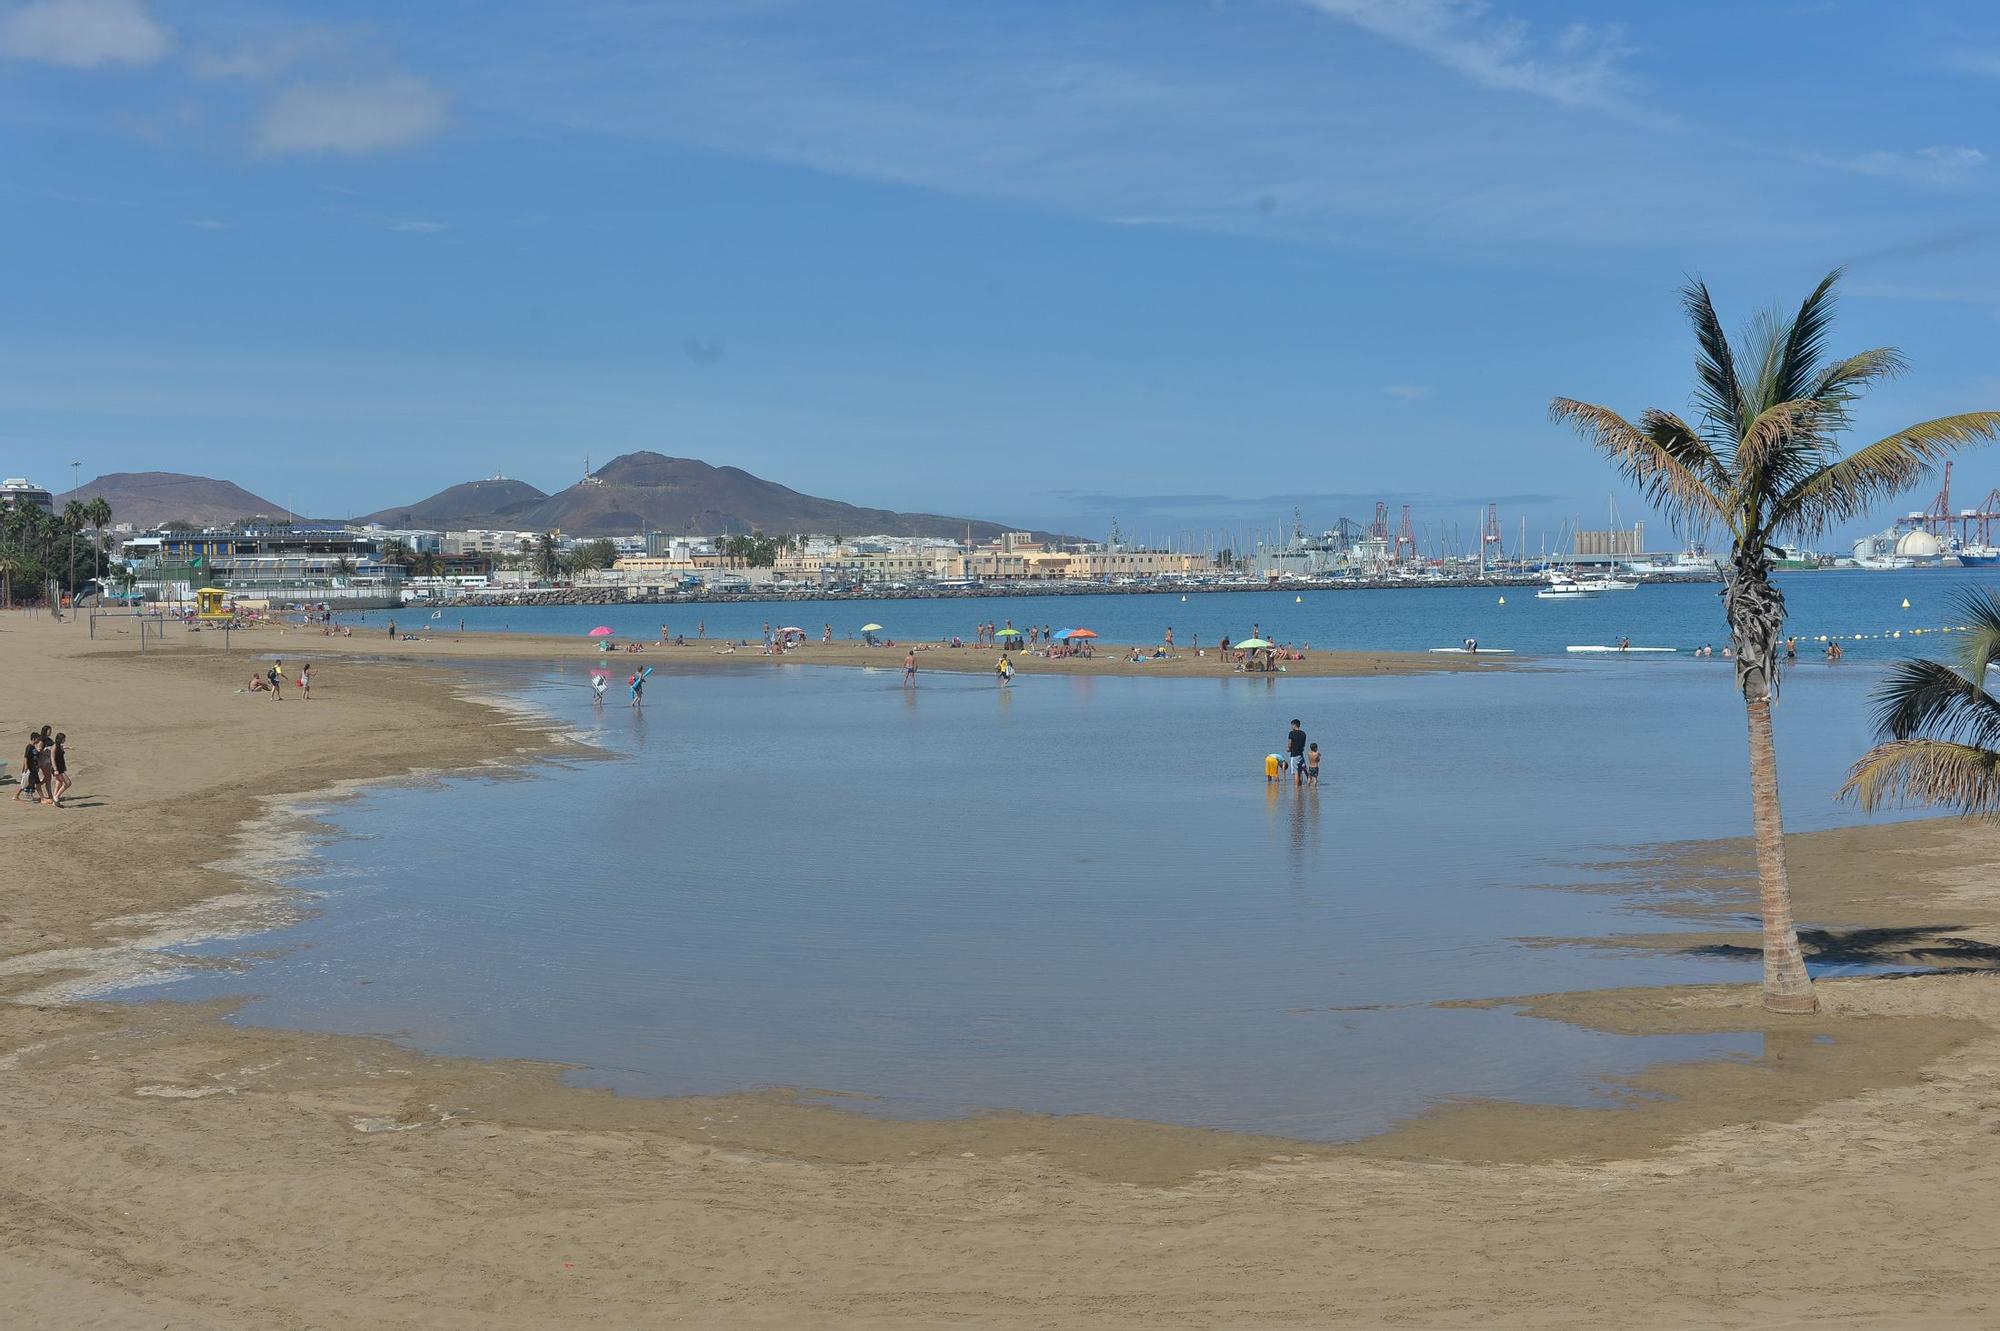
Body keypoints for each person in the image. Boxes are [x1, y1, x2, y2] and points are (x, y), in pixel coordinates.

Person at [14, 734, 40, 803]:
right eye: (38, 739)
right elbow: (25, 757)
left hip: (33, 768)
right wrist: (26, 767)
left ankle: (29, 795)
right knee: (26, 783)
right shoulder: (29, 747)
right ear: (34, 739)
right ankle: (16, 795)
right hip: (30, 768)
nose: (39, 740)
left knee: (31, 782)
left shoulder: (34, 747)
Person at [1286, 718, 1307, 786]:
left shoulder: (1291, 733)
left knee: (1296, 773)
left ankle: (1297, 788)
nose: (1291, 727)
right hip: (1301, 754)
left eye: (1291, 725)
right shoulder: (1303, 733)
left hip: (1294, 754)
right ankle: (1300, 786)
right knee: (1300, 772)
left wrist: (1289, 749)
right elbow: (1303, 744)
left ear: (1294, 725)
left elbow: (1289, 743)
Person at [49, 733, 68, 805]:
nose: (65, 740)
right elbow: (52, 759)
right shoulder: (54, 747)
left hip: (61, 767)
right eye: (64, 739)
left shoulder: (59, 746)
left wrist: (68, 747)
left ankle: (54, 801)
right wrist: (56, 769)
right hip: (57, 769)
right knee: (68, 783)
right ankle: (56, 797)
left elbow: (62, 748)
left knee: (59, 783)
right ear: (60, 739)